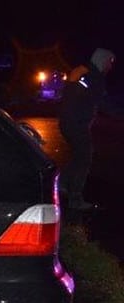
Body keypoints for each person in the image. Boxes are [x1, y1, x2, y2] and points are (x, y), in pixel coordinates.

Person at [58, 48, 115, 211]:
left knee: (79, 156)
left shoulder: (83, 71)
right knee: (84, 159)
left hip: (68, 123)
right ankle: (75, 199)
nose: (110, 66)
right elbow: (103, 103)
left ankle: (61, 183)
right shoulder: (95, 77)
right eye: (110, 62)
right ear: (102, 60)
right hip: (77, 124)